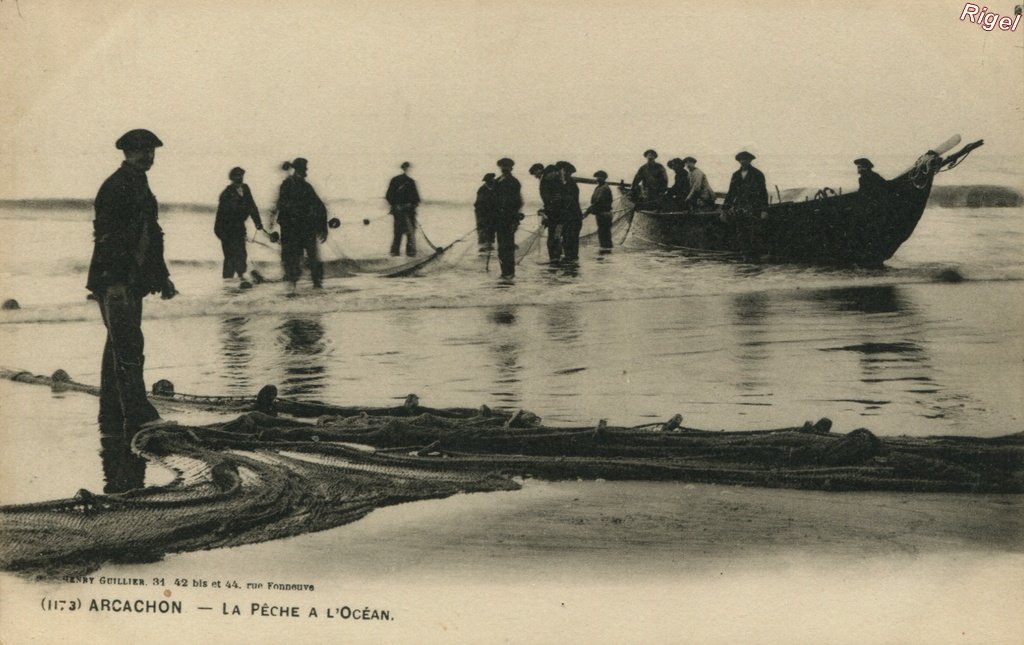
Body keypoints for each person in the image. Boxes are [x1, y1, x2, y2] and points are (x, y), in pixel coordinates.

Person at [86, 128, 177, 435]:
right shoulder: (115, 186)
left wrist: (162, 275)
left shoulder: (141, 184)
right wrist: (118, 280)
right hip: (114, 278)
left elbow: (152, 233)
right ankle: (138, 415)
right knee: (128, 343)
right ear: (126, 153)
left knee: (119, 342)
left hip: (130, 279)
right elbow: (106, 237)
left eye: (151, 150)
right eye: (141, 150)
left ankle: (111, 414)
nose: (147, 156)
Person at [276, 157, 328, 288]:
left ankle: (310, 288)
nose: (306, 172)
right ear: (299, 170)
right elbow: (283, 207)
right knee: (295, 262)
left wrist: (323, 227)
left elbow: (320, 207)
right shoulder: (288, 185)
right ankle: (299, 289)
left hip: (303, 229)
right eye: (304, 169)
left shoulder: (303, 186)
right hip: (294, 230)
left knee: (307, 261)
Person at [214, 166, 264, 280]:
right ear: (232, 178)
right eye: (237, 175)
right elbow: (228, 214)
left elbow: (252, 206)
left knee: (242, 255)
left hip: (238, 228)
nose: (240, 177)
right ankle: (228, 285)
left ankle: (242, 280)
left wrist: (258, 222)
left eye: (241, 175)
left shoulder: (246, 189)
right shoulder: (226, 194)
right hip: (225, 229)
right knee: (230, 258)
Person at [492, 158, 523, 279]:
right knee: (501, 247)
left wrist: (515, 218)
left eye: (506, 166)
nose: (504, 168)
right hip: (498, 219)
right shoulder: (498, 181)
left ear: (511, 168)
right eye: (502, 166)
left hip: (509, 219)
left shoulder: (513, 182)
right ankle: (505, 272)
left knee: (507, 247)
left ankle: (509, 273)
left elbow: (517, 202)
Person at [386, 161, 421, 256]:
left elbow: (389, 196)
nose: (407, 170)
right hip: (405, 213)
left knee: (401, 233)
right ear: (406, 169)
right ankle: (407, 254)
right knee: (405, 233)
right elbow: (417, 199)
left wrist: (396, 205)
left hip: (403, 212)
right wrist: (408, 205)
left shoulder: (399, 180)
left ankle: (396, 253)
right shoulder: (409, 181)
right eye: (407, 168)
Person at [530, 162, 562, 262]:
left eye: (535, 173)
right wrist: (545, 210)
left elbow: (554, 200)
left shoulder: (547, 180)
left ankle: (555, 261)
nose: (535, 176)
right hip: (554, 214)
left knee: (554, 239)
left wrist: (546, 212)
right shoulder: (548, 180)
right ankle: (556, 260)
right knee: (554, 238)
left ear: (539, 170)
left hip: (556, 215)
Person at [723, 151, 768, 216]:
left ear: (750, 160)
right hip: (738, 209)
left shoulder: (758, 174)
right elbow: (731, 192)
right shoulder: (736, 175)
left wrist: (764, 210)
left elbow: (763, 192)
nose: (743, 161)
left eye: (746, 159)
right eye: (741, 159)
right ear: (739, 161)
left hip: (754, 209)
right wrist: (724, 210)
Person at [584, 170, 615, 250]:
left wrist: (587, 212)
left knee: (604, 234)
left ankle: (606, 251)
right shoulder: (598, 187)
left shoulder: (604, 188)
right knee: (602, 233)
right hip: (600, 214)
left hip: (604, 214)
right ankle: (605, 250)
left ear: (604, 178)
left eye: (600, 177)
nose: (598, 179)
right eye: (597, 177)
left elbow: (598, 202)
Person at [474, 173, 497, 251]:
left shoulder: (495, 188)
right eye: (490, 180)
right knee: (482, 228)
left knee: (491, 228)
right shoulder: (482, 189)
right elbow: (479, 203)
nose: (492, 181)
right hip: (481, 212)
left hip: (491, 212)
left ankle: (489, 245)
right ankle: (482, 246)